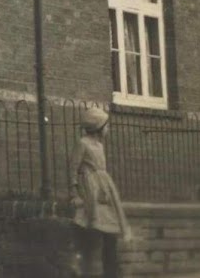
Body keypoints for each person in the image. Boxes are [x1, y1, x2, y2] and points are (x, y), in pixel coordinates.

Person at [69, 107, 130, 278]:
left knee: (110, 230)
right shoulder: (83, 143)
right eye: (106, 126)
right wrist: (75, 193)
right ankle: (84, 270)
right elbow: (73, 168)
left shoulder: (100, 145)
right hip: (90, 190)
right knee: (92, 230)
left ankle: (111, 272)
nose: (108, 129)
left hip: (104, 189)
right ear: (98, 127)